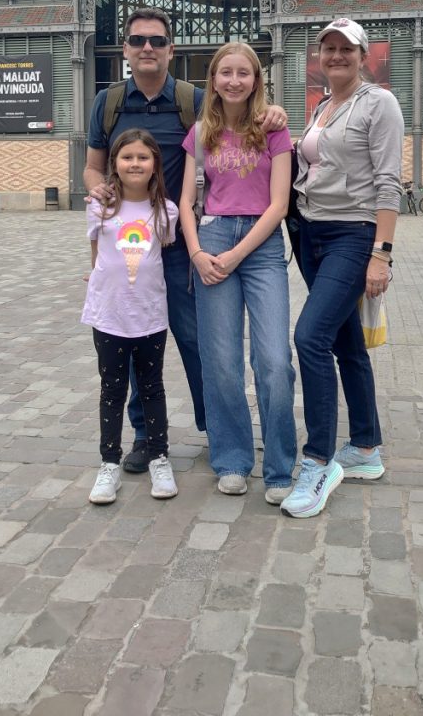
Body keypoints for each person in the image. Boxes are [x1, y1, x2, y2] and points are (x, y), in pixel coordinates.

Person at [83, 6, 288, 475]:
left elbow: (238, 119)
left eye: (156, 41)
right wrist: (97, 186)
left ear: (171, 50)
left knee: (199, 341)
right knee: (134, 340)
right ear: (126, 50)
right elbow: (94, 165)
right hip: (137, 247)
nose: (147, 48)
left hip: (185, 243)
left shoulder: (193, 100)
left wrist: (272, 109)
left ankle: (215, 427)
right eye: (137, 41)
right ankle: (141, 434)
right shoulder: (109, 102)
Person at [280, 19, 404, 519]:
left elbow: (389, 182)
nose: (336, 56)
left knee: (310, 337)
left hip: (352, 235)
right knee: (346, 341)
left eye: (346, 49)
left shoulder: (380, 104)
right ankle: (367, 448)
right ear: (319, 57)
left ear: (363, 56)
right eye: (328, 49)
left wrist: (382, 252)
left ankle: (319, 460)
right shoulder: (321, 107)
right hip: (309, 233)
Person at [178, 42, 296, 503]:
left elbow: (280, 204)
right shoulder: (200, 132)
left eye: (243, 73)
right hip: (211, 242)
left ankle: (280, 465)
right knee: (220, 360)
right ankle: (231, 458)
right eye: (225, 72)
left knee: (273, 360)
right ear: (213, 80)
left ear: (256, 80)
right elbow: (187, 201)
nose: (233, 80)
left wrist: (236, 255)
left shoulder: (273, 131)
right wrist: (196, 252)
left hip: (261, 246)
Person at [82, 128, 179, 504]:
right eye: (127, 157)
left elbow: (163, 257)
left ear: (155, 163)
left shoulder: (165, 211)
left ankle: (158, 455)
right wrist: (96, 279)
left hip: (150, 316)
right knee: (113, 389)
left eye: (142, 157)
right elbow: (96, 254)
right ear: (114, 165)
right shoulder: (99, 207)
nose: (134, 163)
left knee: (151, 387)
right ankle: (109, 463)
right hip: (109, 316)